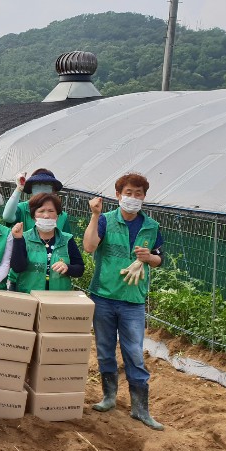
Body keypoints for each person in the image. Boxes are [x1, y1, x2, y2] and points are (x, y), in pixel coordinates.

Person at [83, 173, 165, 431]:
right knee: (105, 349)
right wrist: (94, 215)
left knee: (134, 354)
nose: (133, 198)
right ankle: (109, 397)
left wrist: (149, 258)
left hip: (133, 300)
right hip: (104, 296)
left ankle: (140, 409)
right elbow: (89, 247)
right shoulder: (105, 220)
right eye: (128, 193)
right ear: (118, 195)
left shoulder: (151, 226)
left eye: (138, 194)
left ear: (144, 197)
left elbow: (160, 258)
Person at [9, 192, 84, 293]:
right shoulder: (24, 238)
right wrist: (17, 240)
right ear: (33, 216)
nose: (46, 216)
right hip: (29, 295)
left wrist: (68, 268)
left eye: (51, 211)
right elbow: (17, 268)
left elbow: (80, 269)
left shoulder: (67, 239)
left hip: (58, 297)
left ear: (57, 216)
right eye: (41, 211)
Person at [2, 168, 73, 233]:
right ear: (31, 189)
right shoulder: (22, 208)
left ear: (53, 190)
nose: (41, 187)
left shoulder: (62, 216)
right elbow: (7, 217)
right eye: (37, 184)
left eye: (46, 184)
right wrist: (18, 189)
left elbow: (68, 239)